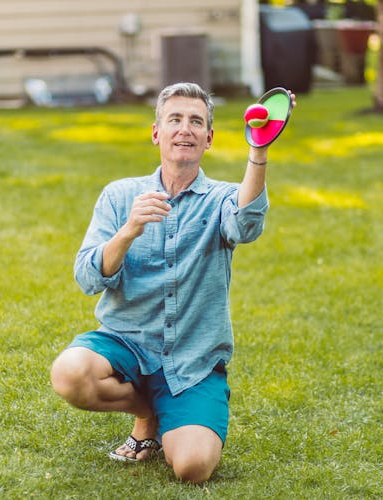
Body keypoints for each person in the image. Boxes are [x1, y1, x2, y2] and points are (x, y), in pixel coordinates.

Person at [51, 82, 295, 483]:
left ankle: (176, 412)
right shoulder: (120, 196)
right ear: (156, 133)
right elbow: (87, 277)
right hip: (126, 341)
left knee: (193, 468)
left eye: (196, 122)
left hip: (192, 358)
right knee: (70, 374)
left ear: (209, 138)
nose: (185, 129)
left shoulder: (221, 199)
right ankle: (147, 413)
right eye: (175, 119)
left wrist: (259, 149)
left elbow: (247, 225)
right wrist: (129, 230)